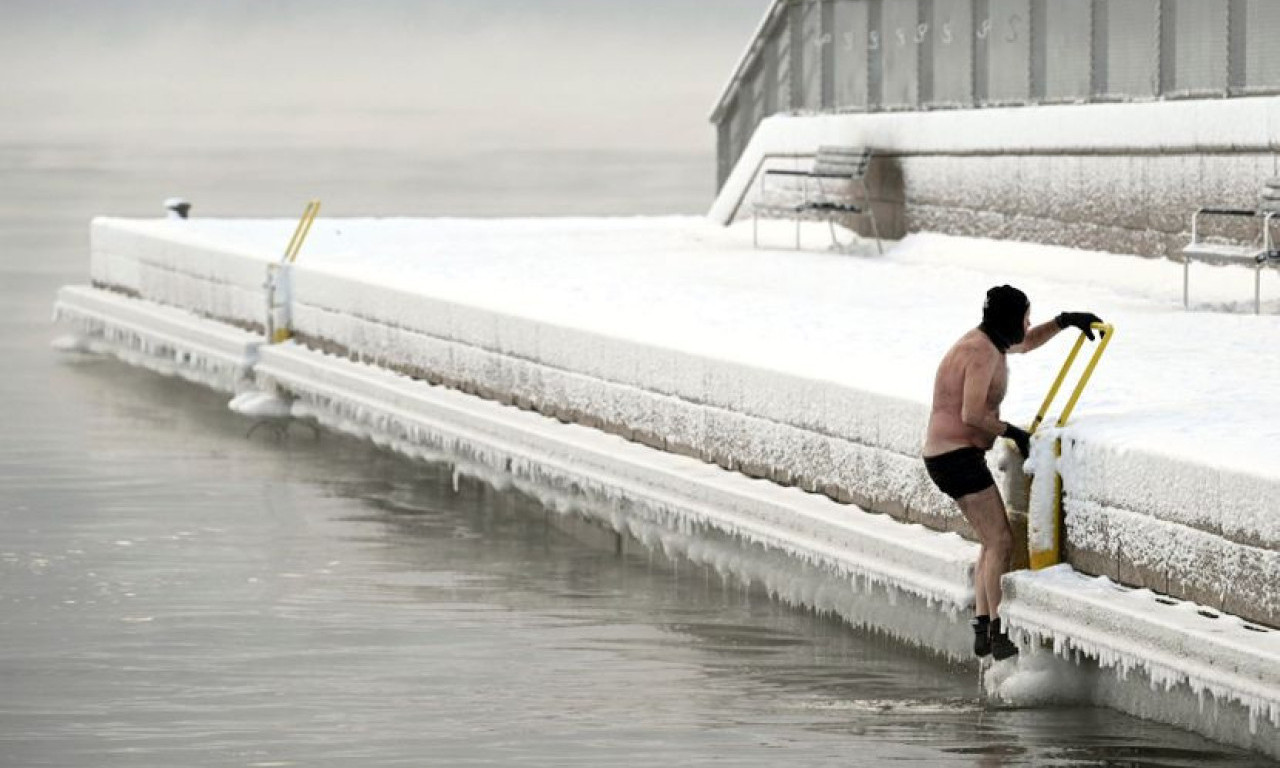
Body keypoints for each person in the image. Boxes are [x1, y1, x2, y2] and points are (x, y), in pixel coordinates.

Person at [922, 285, 1101, 660]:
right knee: (1001, 541)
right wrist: (1013, 433)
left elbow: (1027, 342)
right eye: (1026, 316)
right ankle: (996, 629)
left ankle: (984, 628)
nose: (1029, 323)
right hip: (955, 457)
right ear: (1009, 319)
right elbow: (971, 415)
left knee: (991, 542)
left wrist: (1065, 322)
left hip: (953, 455)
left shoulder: (992, 342)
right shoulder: (980, 352)